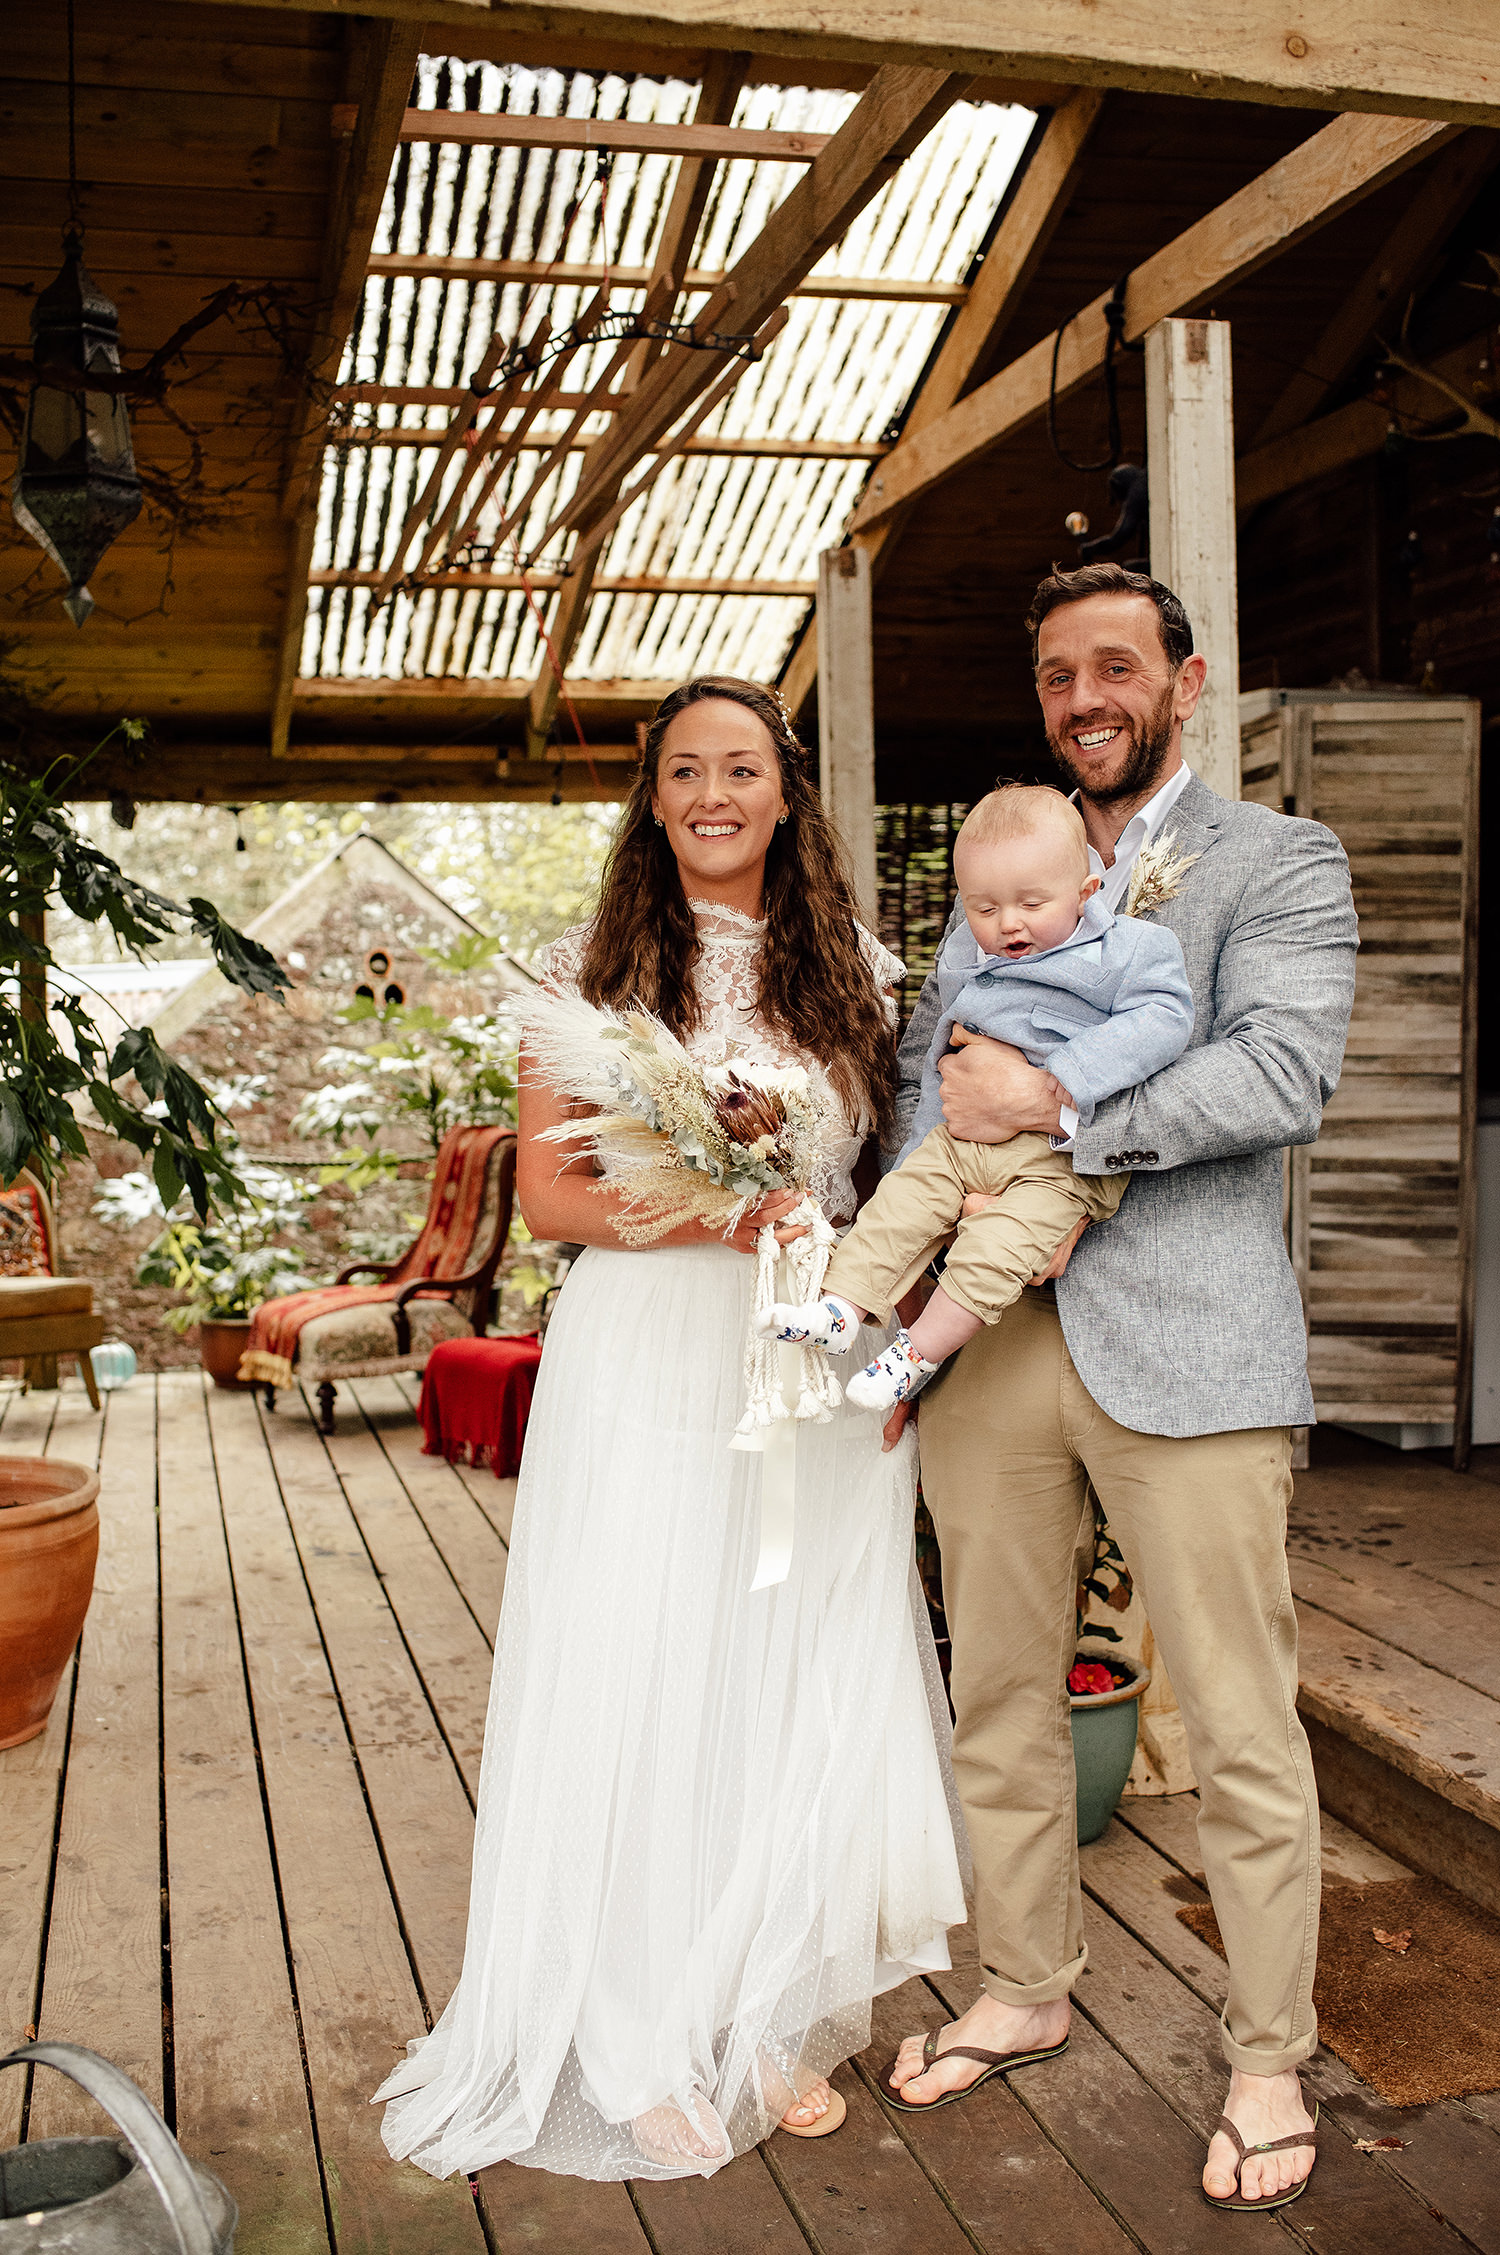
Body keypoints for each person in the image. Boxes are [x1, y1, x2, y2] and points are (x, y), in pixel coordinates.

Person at [374, 675, 966, 2184]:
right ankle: (636, 2029)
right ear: (654, 797)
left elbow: (890, 1185)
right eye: (686, 770)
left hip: (810, 1359)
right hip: (648, 1356)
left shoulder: (856, 972)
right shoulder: (590, 974)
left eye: (744, 768)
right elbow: (562, 1198)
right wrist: (719, 1203)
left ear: (787, 792)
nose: (715, 792)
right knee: (647, 1662)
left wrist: (890, 1354)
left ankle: (760, 2000)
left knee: (788, 1668)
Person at [882, 563, 1357, 2216]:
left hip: (1194, 1345)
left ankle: (1265, 2054)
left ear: (1186, 678)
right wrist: (912, 1298)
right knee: (997, 1695)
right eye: (1059, 676)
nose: (1087, 697)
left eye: (1116, 667)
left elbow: (1280, 1067)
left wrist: (1064, 1127)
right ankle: (1024, 1981)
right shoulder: (995, 871)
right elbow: (932, 1083)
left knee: (1236, 1720)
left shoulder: (1280, 862)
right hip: (992, 1351)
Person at [756, 783, 1192, 1409]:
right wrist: (922, 1147)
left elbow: (1165, 1018)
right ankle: (840, 1307)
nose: (1008, 923)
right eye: (984, 909)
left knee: (999, 1247)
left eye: (1030, 904)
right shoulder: (971, 954)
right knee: (898, 1206)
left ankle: (916, 1354)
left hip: (1059, 1160)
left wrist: (1067, 1074)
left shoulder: (1129, 950)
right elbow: (939, 1057)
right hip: (962, 1141)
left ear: (1086, 891)